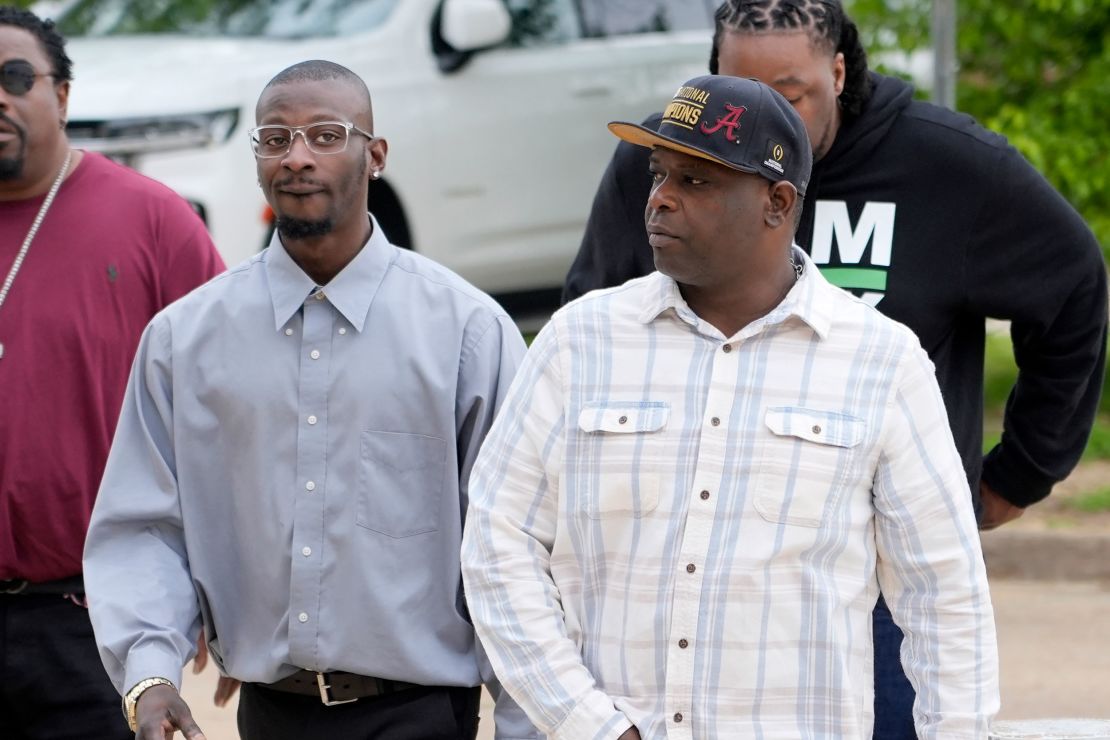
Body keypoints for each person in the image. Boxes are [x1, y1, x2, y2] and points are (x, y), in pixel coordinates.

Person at [561, 1, 1108, 735]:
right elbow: (597, 327)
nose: (758, 116)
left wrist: (1016, 475)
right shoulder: (663, 164)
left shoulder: (948, 168)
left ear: (838, 71)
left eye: (789, 94)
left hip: (874, 572)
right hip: (686, 556)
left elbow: (1074, 284)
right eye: (735, 85)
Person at [462, 73, 999, 740]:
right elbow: (496, 543)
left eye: (696, 182)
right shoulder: (580, 343)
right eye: (659, 174)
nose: (659, 200)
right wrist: (590, 724)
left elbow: (945, 597)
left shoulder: (881, 365)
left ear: (777, 202)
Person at [83, 59, 529, 740]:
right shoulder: (185, 339)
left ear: (374, 155)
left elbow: (512, 545)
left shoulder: (466, 332)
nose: (297, 157)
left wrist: (522, 721)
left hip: (422, 714)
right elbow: (143, 525)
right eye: (274, 138)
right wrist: (151, 673)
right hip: (269, 714)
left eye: (326, 135)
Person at [0, 7, 225, 738]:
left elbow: (227, 410)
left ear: (61, 95)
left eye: (14, 77)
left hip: (90, 622)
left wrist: (211, 588)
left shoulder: (152, 221)